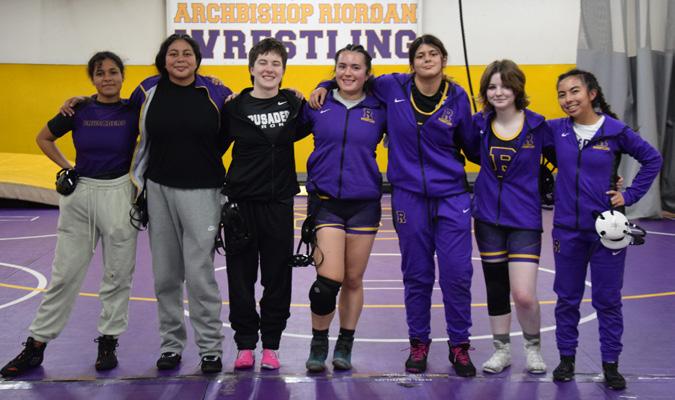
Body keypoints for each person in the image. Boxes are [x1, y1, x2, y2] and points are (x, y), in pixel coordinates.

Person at [310, 34, 479, 377]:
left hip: (450, 195)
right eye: (420, 54)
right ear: (411, 62)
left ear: (444, 59)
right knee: (416, 274)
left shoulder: (458, 96)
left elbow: (474, 146)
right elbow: (351, 80)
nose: (427, 59)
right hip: (408, 195)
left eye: (433, 53)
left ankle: (459, 346)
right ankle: (419, 343)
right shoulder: (392, 87)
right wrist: (324, 84)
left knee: (457, 275)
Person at [1, 52, 139, 377]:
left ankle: (108, 341)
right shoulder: (78, 109)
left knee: (118, 275)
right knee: (64, 275)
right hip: (80, 195)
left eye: (113, 72)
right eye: (100, 73)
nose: (107, 78)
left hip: (119, 193)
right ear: (93, 78)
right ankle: (36, 345)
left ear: (122, 76)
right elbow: (43, 138)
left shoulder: (134, 111)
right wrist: (68, 167)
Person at [548, 69, 662, 390]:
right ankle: (566, 359)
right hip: (567, 231)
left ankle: (611, 364)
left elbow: (652, 159)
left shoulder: (615, 131)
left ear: (592, 93)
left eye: (574, 91)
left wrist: (629, 195)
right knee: (566, 299)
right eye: (561, 94)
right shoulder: (555, 130)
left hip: (607, 232)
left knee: (608, 300)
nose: (568, 99)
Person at [129, 33, 232, 374]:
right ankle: (171, 346)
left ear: (197, 60)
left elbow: (230, 131)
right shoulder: (147, 90)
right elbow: (119, 112)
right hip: (158, 190)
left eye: (187, 53)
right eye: (173, 54)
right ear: (163, 59)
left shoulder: (216, 92)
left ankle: (210, 349)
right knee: (166, 276)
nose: (180, 59)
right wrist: (80, 102)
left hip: (203, 192)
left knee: (200, 275)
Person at [221, 38, 310, 371]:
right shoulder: (233, 108)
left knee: (277, 277)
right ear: (251, 68)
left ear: (283, 71)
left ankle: (271, 344)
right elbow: (213, 145)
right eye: (263, 62)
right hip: (241, 205)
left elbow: (324, 106)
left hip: (278, 203)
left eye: (276, 63)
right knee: (240, 277)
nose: (269, 69)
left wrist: (322, 87)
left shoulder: (295, 105)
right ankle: (245, 344)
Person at [300, 44, 386, 372]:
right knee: (327, 280)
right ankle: (318, 341)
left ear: (367, 73)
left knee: (352, 279)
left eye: (355, 67)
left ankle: (345, 343)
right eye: (342, 66)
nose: (348, 72)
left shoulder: (380, 107)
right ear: (334, 69)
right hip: (326, 203)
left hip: (364, 203)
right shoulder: (317, 104)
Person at [471, 60, 549, 374]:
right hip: (487, 218)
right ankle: (501, 350)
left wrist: (610, 180)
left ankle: (533, 348)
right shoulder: (477, 124)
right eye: (492, 86)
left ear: (517, 88)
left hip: (525, 219)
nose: (499, 92)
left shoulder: (539, 126)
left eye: (505, 85)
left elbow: (569, 158)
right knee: (496, 288)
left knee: (524, 294)